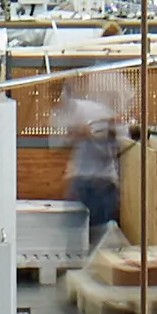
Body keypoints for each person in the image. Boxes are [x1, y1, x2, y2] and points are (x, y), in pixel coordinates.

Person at [59, 70, 128, 247]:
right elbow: (64, 138)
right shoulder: (78, 109)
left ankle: (93, 266)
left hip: (102, 183)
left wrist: (110, 133)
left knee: (100, 236)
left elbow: (122, 147)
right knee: (75, 235)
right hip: (82, 180)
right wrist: (80, 133)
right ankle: (77, 266)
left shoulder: (115, 120)